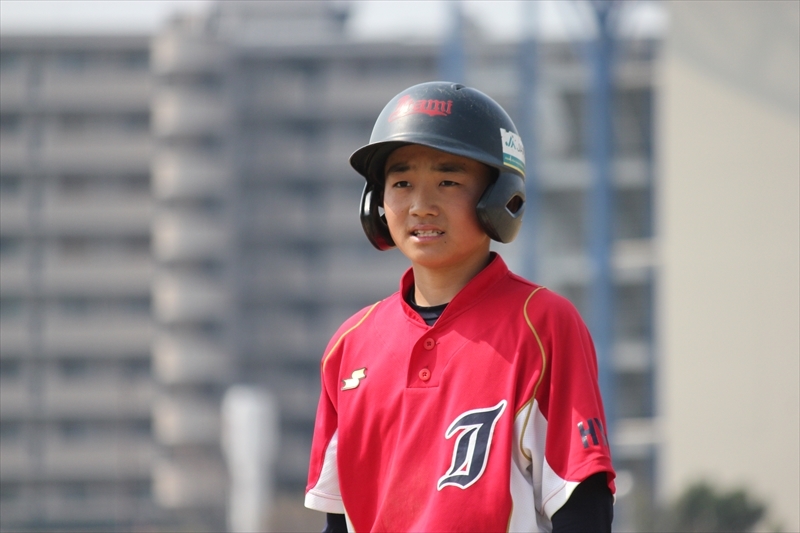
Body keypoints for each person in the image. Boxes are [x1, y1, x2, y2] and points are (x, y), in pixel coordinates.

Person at [305, 81, 615, 532]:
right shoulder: (350, 345)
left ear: (499, 197)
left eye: (448, 181)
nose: (420, 206)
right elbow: (340, 520)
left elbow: (581, 502)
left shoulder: (543, 323)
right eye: (401, 183)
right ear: (376, 202)